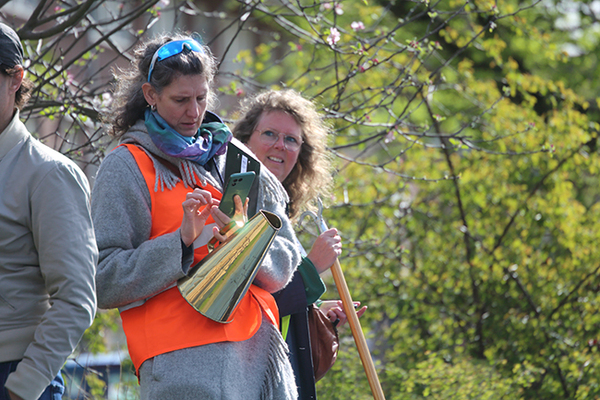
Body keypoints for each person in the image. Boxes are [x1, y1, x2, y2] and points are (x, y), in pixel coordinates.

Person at [91, 33, 301, 400]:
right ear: (150, 95)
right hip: (182, 371)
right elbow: (103, 279)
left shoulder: (234, 156)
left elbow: (286, 255)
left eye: (202, 98)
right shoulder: (126, 166)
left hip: (260, 364)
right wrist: (181, 245)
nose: (194, 112)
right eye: (180, 100)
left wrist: (246, 243)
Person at [232, 89, 367, 399]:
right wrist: (312, 270)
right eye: (269, 134)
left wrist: (316, 309)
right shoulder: (236, 207)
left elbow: (275, 301)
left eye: (291, 139)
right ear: (245, 140)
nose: (280, 145)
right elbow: (241, 308)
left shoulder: (281, 213)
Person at [0, 23, 98, 400]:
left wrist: (23, 388)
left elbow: (76, 298)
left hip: (14, 376)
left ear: (16, 79)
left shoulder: (49, 174)